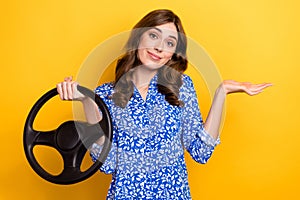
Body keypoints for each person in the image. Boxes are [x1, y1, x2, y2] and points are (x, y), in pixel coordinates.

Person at [56, 9, 272, 199]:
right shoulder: (105, 95)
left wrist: (221, 93)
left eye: (169, 43)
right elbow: (108, 163)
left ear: (172, 54)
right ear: (138, 38)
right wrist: (86, 100)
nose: (159, 47)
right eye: (153, 36)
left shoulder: (181, 87)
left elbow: (201, 152)